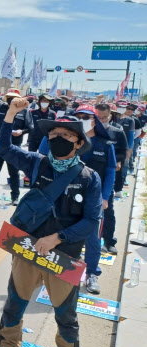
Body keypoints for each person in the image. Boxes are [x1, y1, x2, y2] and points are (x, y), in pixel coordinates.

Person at [0, 97, 102, 347]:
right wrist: (11, 114)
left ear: (78, 142)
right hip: (26, 249)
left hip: (64, 257)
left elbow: (92, 221)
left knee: (66, 314)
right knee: (15, 301)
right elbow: (3, 150)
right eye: (53, 135)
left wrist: (57, 238)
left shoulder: (89, 177)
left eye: (66, 136)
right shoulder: (37, 163)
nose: (58, 140)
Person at [39, 105, 115, 294]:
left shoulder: (104, 144)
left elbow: (112, 170)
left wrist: (105, 197)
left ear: (94, 119)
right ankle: (55, 272)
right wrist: (55, 133)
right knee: (60, 236)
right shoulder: (65, 137)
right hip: (64, 199)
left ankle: (91, 274)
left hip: (93, 199)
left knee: (92, 239)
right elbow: (42, 151)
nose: (82, 118)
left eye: (86, 116)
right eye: (78, 116)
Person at [0, 83, 34, 205]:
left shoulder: (25, 111)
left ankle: (15, 197)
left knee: (14, 172)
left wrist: (21, 131)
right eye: (9, 98)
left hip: (14, 146)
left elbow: (30, 127)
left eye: (14, 98)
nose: (11, 100)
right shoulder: (0, 107)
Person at [97, 103, 127, 255]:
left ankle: (109, 242)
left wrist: (117, 161)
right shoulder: (90, 132)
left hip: (108, 176)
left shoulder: (117, 132)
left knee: (108, 211)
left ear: (110, 116)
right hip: (90, 177)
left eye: (104, 117)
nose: (102, 120)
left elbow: (124, 151)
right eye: (99, 118)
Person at [116, 100, 135, 186]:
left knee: (123, 165)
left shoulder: (130, 120)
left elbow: (131, 135)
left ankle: (122, 181)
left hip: (124, 146)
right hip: (112, 145)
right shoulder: (113, 117)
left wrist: (129, 149)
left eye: (123, 107)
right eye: (120, 107)